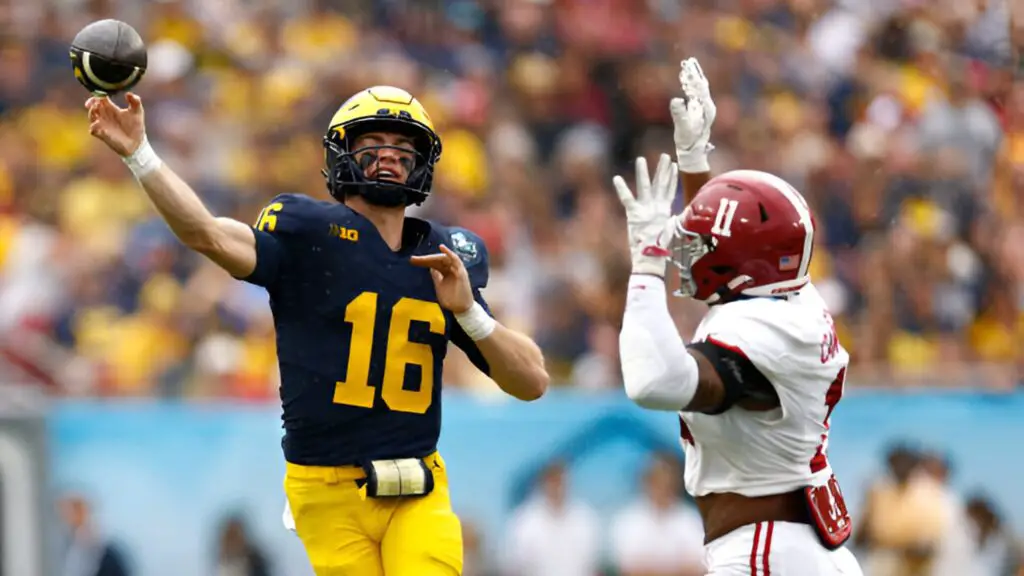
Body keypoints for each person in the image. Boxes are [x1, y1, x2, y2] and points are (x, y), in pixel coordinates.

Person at [84, 85, 549, 576]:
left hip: (419, 486)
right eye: (373, 142)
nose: (388, 155)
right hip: (324, 489)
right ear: (342, 155)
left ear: (422, 162)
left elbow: (532, 381)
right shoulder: (308, 233)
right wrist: (140, 154)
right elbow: (208, 233)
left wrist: (469, 315)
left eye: (401, 145)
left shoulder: (444, 256)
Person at [613, 58, 863, 575]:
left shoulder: (760, 332)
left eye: (700, 245)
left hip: (765, 551)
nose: (689, 250)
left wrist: (646, 266)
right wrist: (694, 159)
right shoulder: (791, 299)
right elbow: (729, 265)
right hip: (802, 550)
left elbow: (653, 382)